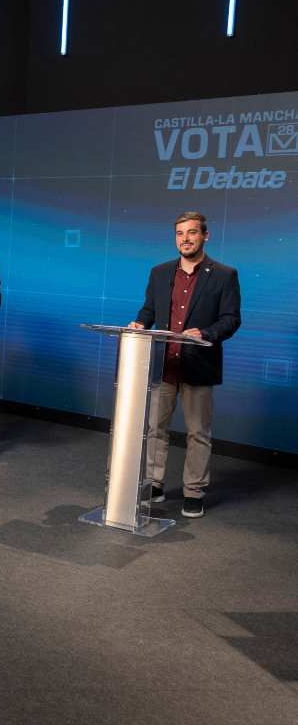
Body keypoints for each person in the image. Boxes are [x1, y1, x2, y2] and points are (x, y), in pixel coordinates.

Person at [128, 211, 241, 518]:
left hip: (199, 365)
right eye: (180, 233)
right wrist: (139, 323)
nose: (185, 239)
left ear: (205, 235)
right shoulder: (160, 272)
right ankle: (154, 482)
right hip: (163, 364)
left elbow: (231, 320)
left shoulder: (223, 274)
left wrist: (205, 333)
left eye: (192, 233)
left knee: (198, 433)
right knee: (155, 429)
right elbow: (149, 309)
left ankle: (194, 491)